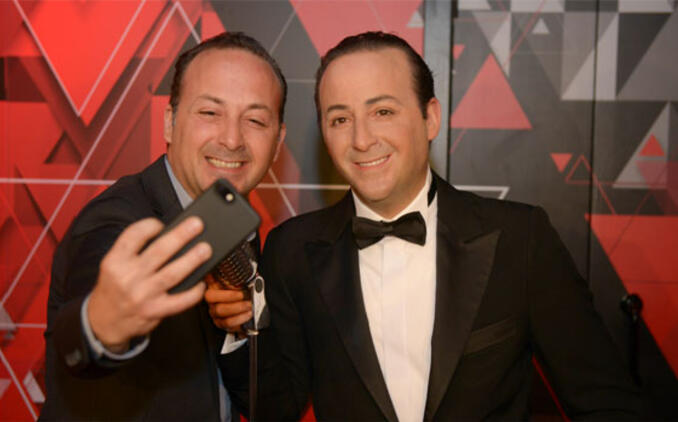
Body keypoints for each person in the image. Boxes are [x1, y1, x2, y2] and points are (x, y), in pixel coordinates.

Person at [209, 31, 642, 420]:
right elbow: (274, 408)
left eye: (382, 111)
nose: (361, 139)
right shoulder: (292, 250)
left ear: (430, 117)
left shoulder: (520, 239)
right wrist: (239, 334)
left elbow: (606, 402)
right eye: (340, 119)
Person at [40, 32, 286, 421]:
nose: (232, 139)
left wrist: (238, 334)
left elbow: (263, 404)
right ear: (170, 124)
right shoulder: (118, 220)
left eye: (255, 120)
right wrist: (100, 326)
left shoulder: (235, 222)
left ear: (278, 142)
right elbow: (81, 334)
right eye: (210, 113)